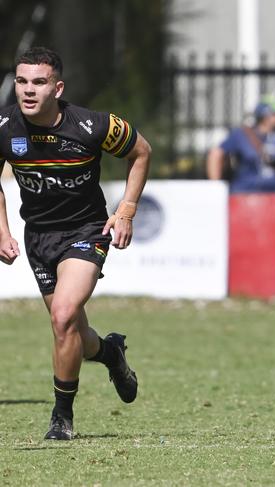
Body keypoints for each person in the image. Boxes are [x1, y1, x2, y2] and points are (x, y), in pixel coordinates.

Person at [0, 47, 152, 440]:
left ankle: (61, 418)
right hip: (39, 238)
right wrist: (2, 231)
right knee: (73, 334)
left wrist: (128, 209)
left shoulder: (92, 125)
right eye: (21, 81)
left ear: (57, 87)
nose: (28, 90)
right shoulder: (4, 128)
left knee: (63, 316)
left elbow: (141, 152)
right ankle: (111, 352)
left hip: (86, 232)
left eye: (39, 82)